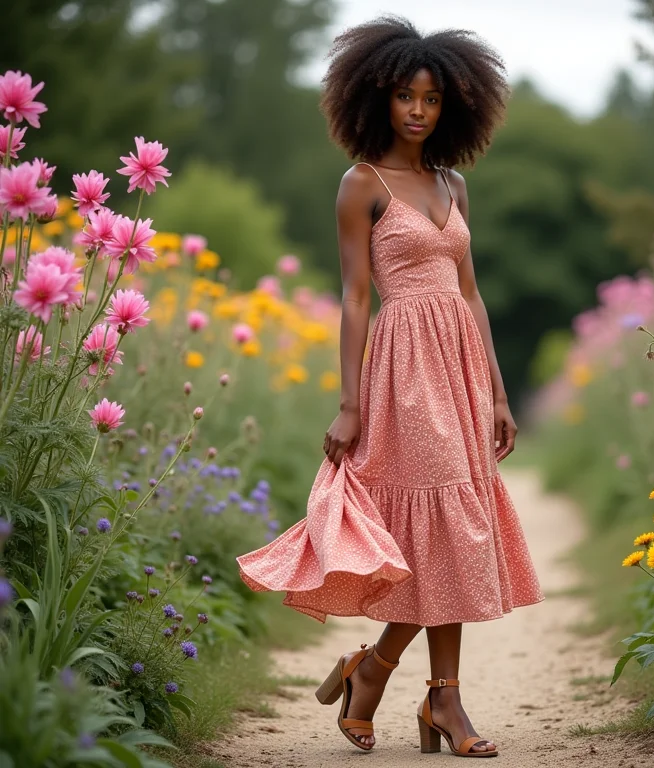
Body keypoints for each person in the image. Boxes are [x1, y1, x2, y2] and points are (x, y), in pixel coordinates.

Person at [236, 15, 544, 758]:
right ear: (378, 98)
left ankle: (419, 692)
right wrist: (350, 403)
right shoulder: (361, 184)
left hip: (461, 367)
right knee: (435, 531)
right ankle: (392, 681)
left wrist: (499, 394)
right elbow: (353, 298)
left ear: (451, 107)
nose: (418, 110)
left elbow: (470, 293)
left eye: (432, 98)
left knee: (457, 529)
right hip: (403, 369)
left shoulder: (451, 182)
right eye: (405, 95)